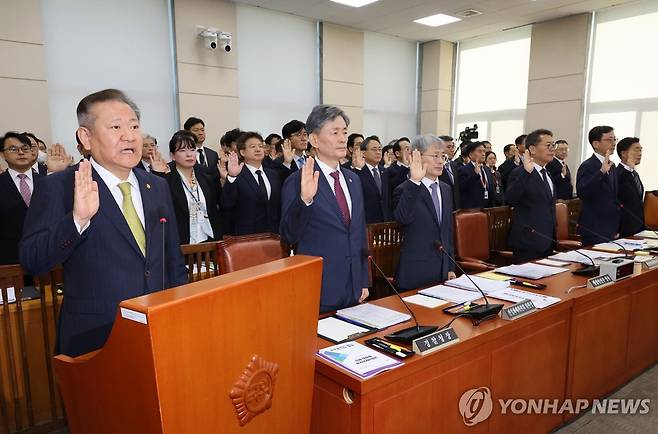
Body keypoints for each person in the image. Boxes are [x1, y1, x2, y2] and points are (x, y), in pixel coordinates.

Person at [20, 89, 187, 357]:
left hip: (160, 328)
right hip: (96, 336)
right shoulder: (60, 187)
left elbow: (173, 260)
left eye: (134, 126)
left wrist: (181, 310)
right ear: (86, 137)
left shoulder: (156, 186)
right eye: (116, 127)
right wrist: (77, 220)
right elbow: (33, 260)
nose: (129, 135)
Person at [280, 105, 369, 313]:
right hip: (320, 288)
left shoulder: (353, 179)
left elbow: (359, 234)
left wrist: (364, 279)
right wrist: (305, 200)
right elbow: (288, 235)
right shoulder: (298, 180)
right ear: (314, 140)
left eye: (344, 132)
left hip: (354, 287)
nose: (342, 138)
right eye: (334, 132)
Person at [393, 135, 456, 291]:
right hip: (416, 273)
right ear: (416, 157)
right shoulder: (405, 189)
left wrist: (450, 266)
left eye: (443, 156)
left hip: (442, 271)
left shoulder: (445, 189)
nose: (440, 161)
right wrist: (414, 182)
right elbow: (403, 219)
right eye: (435, 156)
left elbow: (447, 232)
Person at [506, 129, 557, 263]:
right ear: (533, 149)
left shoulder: (548, 174)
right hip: (528, 242)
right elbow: (511, 199)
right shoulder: (520, 173)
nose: (552, 149)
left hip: (547, 241)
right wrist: (526, 173)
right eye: (548, 145)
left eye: (553, 145)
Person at [161, 130, 222, 243]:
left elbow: (221, 204)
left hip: (209, 239)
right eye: (183, 150)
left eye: (192, 150)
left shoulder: (206, 174)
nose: (189, 154)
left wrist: (229, 178)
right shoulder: (167, 179)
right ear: (172, 156)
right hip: (182, 242)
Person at [222, 132, 282, 235]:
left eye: (260, 146)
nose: (258, 149)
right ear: (242, 152)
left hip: (273, 234)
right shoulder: (237, 174)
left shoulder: (273, 174)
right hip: (246, 236)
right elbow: (226, 203)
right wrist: (231, 177)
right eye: (252, 147)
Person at [0, 132, 42, 265]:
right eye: (13, 149)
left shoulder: (47, 181)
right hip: (9, 261)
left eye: (25, 148)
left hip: (47, 258)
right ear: (2, 154)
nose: (21, 152)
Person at [576, 126, 620, 245]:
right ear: (596, 143)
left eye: (615, 139)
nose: (613, 143)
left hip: (610, 226)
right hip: (594, 227)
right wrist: (601, 173)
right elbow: (582, 192)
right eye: (609, 140)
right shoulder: (587, 165)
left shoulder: (612, 165)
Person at [350, 136, 386, 223]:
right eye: (374, 149)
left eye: (380, 149)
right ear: (363, 153)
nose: (378, 152)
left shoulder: (385, 172)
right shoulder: (357, 172)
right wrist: (358, 169)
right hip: (366, 222)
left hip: (385, 223)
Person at [616, 137, 645, 237]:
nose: (640, 153)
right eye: (636, 149)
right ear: (624, 153)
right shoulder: (617, 173)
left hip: (637, 227)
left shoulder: (634, 174)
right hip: (622, 228)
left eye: (641, 150)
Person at [458, 141, 495, 209]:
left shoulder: (487, 169)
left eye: (484, 151)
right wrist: (475, 174)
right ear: (471, 154)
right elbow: (462, 188)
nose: (483, 154)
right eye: (480, 151)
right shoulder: (463, 169)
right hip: (472, 210)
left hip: (487, 209)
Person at [381, 138, 410, 219]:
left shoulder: (416, 168)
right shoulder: (390, 170)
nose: (410, 151)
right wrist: (405, 166)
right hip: (398, 214)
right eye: (407, 149)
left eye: (411, 149)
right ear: (397, 153)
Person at [438, 135, 461, 210]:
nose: (452, 150)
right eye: (449, 147)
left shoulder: (454, 165)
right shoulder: (436, 165)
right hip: (442, 206)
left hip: (455, 207)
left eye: (453, 147)